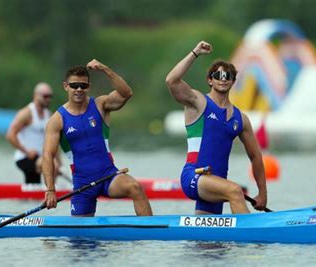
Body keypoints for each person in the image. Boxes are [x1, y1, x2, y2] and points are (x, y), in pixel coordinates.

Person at [165, 41, 267, 214]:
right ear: (210, 80)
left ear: (233, 81)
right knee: (235, 191)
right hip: (194, 176)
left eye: (228, 76)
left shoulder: (241, 119)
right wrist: (195, 53)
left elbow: (255, 157)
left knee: (208, 239)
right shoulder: (197, 102)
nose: (223, 79)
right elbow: (172, 80)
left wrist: (262, 194)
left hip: (217, 182)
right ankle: (251, 240)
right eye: (218, 75)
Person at [42, 60, 153, 217]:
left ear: (89, 87)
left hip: (108, 176)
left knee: (135, 187)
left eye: (83, 85)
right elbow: (47, 156)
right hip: (82, 185)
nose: (79, 89)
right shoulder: (57, 120)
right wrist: (51, 190)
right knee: (79, 239)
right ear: (66, 86)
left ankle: (150, 233)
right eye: (74, 85)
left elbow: (126, 93)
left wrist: (104, 68)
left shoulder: (101, 105)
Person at [6, 82, 62, 184]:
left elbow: (53, 139)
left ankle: (47, 193)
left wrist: (58, 160)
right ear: (36, 95)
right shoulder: (26, 113)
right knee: (51, 165)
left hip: (40, 158)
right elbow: (10, 135)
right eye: (45, 96)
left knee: (52, 167)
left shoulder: (48, 114)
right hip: (25, 157)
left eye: (50, 96)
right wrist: (26, 151)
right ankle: (49, 192)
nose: (48, 99)